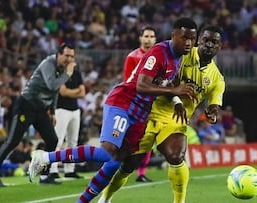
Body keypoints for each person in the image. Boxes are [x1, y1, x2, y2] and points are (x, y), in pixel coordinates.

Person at [28, 17, 197, 203]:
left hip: (141, 113)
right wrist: (175, 91)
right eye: (184, 38)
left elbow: (167, 81)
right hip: (124, 102)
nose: (188, 42)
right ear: (174, 35)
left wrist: (177, 101)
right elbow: (142, 85)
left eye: (192, 39)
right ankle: (44, 157)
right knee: (109, 152)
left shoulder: (179, 57)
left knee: (117, 161)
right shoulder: (159, 52)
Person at [98, 25, 225, 203]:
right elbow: (164, 79)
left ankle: (179, 201)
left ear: (220, 46)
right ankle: (105, 198)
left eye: (214, 42)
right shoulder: (183, 54)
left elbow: (214, 103)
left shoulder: (217, 78)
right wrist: (177, 98)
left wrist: (212, 112)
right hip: (150, 111)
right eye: (206, 40)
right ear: (198, 41)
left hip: (175, 120)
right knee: (128, 164)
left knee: (176, 156)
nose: (209, 45)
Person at [0, 43, 76, 187]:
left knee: (52, 140)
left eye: (72, 56)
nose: (70, 59)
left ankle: (45, 176)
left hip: (41, 109)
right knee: (13, 141)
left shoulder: (61, 68)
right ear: (58, 54)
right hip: (26, 106)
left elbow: (54, 92)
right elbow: (52, 85)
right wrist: (68, 74)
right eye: (67, 55)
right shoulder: (48, 64)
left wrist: (52, 112)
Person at [123, 25, 157, 183]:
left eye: (151, 37)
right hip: (135, 105)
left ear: (155, 39)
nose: (149, 39)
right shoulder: (133, 57)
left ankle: (141, 173)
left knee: (148, 138)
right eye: (146, 36)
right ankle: (122, 167)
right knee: (131, 139)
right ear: (140, 38)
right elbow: (127, 82)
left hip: (152, 104)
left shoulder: (158, 57)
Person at [49, 66, 85, 179]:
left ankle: (69, 170)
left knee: (73, 141)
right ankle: (53, 169)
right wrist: (76, 91)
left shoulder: (77, 73)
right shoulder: (59, 72)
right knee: (58, 140)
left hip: (75, 109)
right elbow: (62, 92)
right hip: (61, 109)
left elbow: (83, 93)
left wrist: (71, 92)